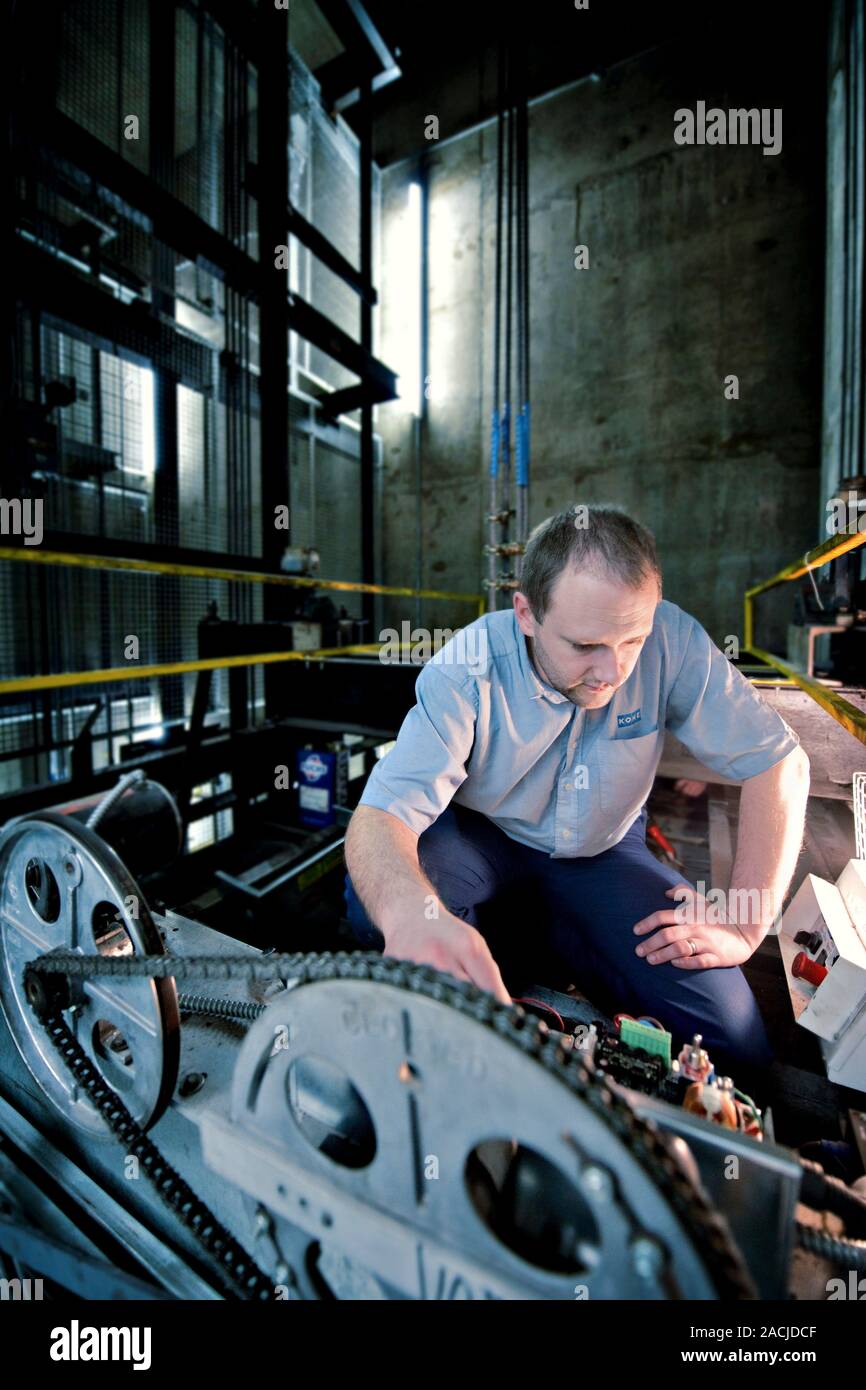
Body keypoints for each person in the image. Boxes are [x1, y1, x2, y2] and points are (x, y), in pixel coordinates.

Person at [344, 506, 810, 1073]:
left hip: (604, 850)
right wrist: (414, 917)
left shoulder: (674, 639)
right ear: (526, 613)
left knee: (733, 1040)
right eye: (585, 644)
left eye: (632, 640)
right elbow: (380, 816)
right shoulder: (468, 667)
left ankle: (544, 938)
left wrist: (745, 921)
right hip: (481, 838)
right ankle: (513, 962)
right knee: (381, 911)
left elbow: (777, 762)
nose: (611, 672)